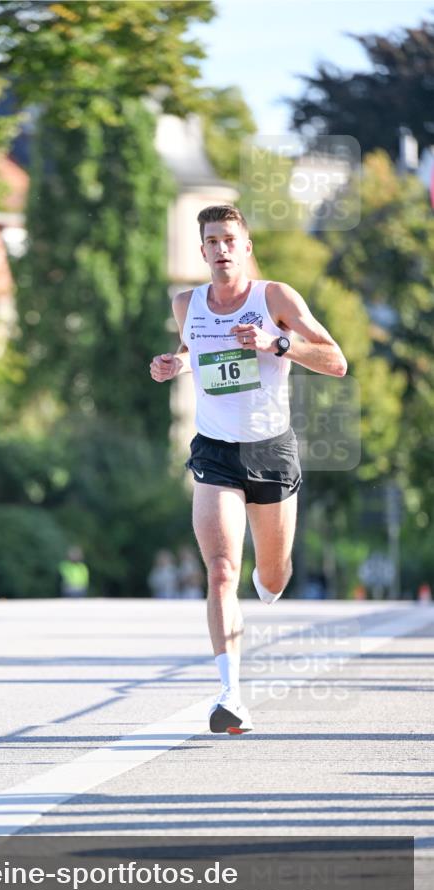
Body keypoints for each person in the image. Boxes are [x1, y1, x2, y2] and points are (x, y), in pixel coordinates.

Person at [150, 204, 347, 735]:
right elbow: (197, 351)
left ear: (247, 246)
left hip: (271, 452)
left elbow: (336, 360)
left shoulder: (275, 298)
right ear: (203, 250)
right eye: (212, 241)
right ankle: (230, 695)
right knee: (219, 570)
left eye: (230, 240)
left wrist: (276, 342)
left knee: (273, 575)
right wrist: (175, 365)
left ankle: (271, 576)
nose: (221, 249)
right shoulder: (186, 303)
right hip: (215, 452)